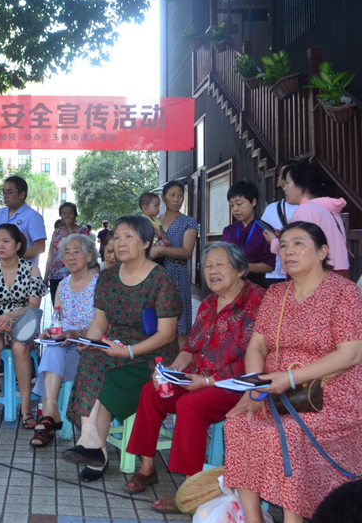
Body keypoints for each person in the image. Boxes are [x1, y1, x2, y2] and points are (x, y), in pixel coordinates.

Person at [224, 221, 362, 523]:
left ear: (322, 251)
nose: (288, 251)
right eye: (283, 245)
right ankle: (254, 518)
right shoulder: (276, 294)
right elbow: (257, 347)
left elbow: (351, 354)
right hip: (276, 392)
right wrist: (255, 389)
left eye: (298, 244)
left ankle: (293, 519)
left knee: (286, 432)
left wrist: (289, 379)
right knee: (237, 423)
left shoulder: (344, 292)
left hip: (328, 395)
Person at [124, 242, 265, 513]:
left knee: (190, 405)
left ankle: (189, 490)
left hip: (235, 387)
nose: (212, 271)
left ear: (240, 270)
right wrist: (170, 371)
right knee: (152, 391)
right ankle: (147, 467)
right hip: (197, 379)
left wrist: (209, 381)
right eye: (207, 266)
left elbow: (254, 358)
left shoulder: (257, 301)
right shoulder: (209, 302)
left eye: (220, 264)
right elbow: (190, 347)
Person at [63, 215, 182, 482]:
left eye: (129, 237)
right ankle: (93, 444)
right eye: (117, 237)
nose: (120, 243)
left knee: (102, 378)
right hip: (115, 350)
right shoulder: (107, 278)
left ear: (146, 242)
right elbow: (100, 322)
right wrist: (90, 342)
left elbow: (167, 334)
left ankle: (94, 447)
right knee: (91, 357)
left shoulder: (161, 280)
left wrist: (127, 352)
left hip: (151, 358)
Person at [0, 224, 47, 428]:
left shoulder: (31, 269)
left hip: (24, 322)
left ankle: (26, 408)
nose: (0, 245)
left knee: (20, 348)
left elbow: (33, 305)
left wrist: (11, 316)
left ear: (17, 245)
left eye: (6, 241)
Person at [31, 233, 99, 447]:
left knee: (54, 355)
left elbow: (105, 324)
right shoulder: (62, 285)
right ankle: (51, 413)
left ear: (89, 256)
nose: (70, 256)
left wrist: (77, 334)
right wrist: (51, 331)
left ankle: (48, 417)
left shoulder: (100, 284)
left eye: (76, 252)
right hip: (66, 343)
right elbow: (59, 318)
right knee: (52, 349)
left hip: (91, 346)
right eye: (66, 253)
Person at [265, 161, 350, 278]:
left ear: (301, 187)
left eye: (288, 183)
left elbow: (299, 250)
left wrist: (274, 242)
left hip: (314, 275)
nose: (285, 188)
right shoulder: (327, 207)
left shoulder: (306, 210)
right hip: (337, 273)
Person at [149, 180, 198, 349]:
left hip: (178, 274)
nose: (177, 199)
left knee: (181, 326)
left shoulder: (188, 222)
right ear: (163, 198)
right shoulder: (153, 222)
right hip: (155, 276)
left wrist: (160, 250)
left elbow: (186, 252)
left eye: (180, 196)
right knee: (156, 323)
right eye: (172, 195)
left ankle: (179, 361)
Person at [221, 181, 275, 288]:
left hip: (256, 286)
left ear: (253, 202)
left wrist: (243, 267)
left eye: (239, 204)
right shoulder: (228, 230)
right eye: (231, 205)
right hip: (229, 286)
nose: (235, 209)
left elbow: (269, 266)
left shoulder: (266, 230)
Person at [0, 176, 47, 267]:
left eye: (9, 192)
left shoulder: (32, 216)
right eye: (4, 192)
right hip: (0, 269)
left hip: (24, 270)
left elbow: (40, 247)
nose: (5, 196)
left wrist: (15, 259)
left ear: (22, 194)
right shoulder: (0, 213)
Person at [260, 160, 299, 288]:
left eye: (290, 178)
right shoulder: (271, 209)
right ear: (279, 180)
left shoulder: (308, 208)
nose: (286, 183)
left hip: (300, 272)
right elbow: (262, 237)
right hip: (275, 273)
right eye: (284, 178)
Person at [44, 202, 90, 303]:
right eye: (64, 213)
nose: (66, 216)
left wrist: (69, 228)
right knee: (57, 304)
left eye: (70, 213)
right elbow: (51, 254)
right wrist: (46, 275)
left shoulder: (83, 231)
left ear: (75, 215)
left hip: (76, 275)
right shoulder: (57, 232)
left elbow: (85, 250)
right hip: (56, 274)